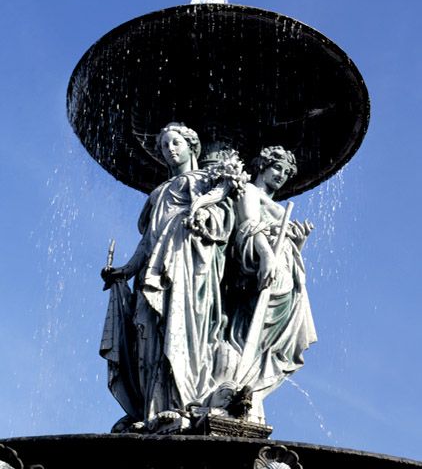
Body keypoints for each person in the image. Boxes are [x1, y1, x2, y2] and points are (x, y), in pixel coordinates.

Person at [100, 123, 236, 429]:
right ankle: (155, 408)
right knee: (150, 335)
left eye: (175, 144)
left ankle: (189, 401)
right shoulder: (159, 193)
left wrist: (203, 217)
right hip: (154, 272)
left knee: (188, 331)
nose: (170, 151)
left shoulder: (207, 181)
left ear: (192, 146)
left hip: (191, 267)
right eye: (164, 147)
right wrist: (125, 270)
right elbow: (148, 241)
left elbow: (223, 224)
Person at [229, 146, 317, 423]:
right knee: (248, 330)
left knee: (273, 341)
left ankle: (250, 385)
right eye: (276, 168)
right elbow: (249, 225)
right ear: (262, 166)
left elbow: (289, 246)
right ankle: (236, 379)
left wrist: (299, 242)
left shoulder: (280, 207)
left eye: (286, 172)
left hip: (287, 275)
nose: (281, 175)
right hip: (262, 268)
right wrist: (266, 255)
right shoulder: (248, 192)